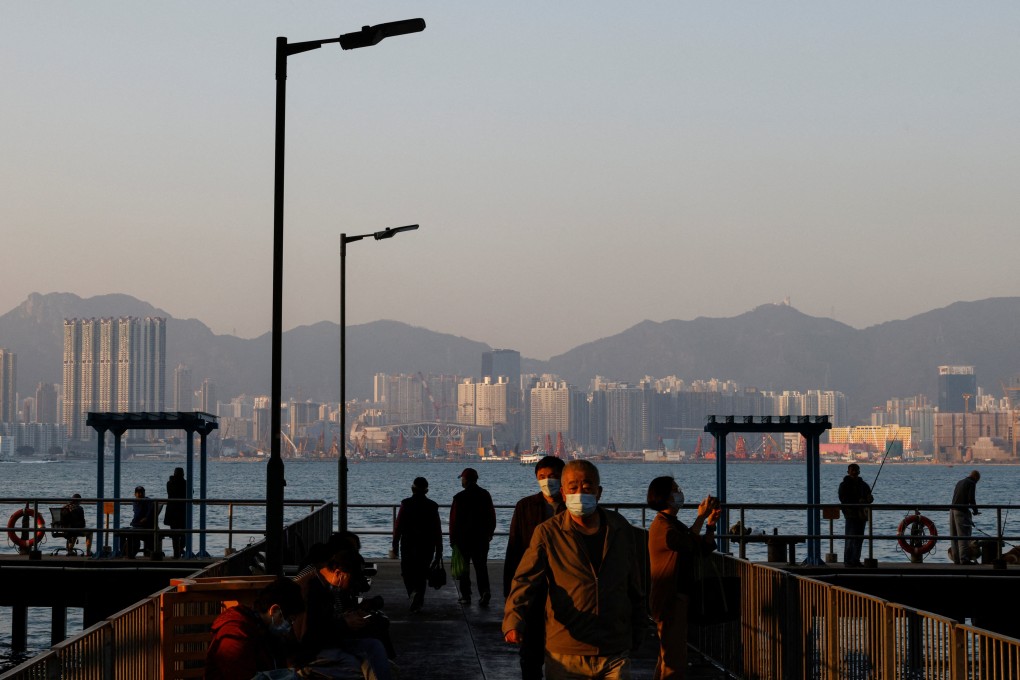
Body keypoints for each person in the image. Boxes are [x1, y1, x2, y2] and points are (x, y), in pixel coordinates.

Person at [503, 460, 646, 680]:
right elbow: (525, 579)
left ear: (599, 492)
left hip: (614, 648)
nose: (580, 493)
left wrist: (639, 626)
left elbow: (633, 582)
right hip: (566, 649)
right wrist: (513, 620)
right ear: (563, 492)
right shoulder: (548, 532)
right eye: (573, 488)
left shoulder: (620, 528)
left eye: (587, 488)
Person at [646, 476, 720, 680]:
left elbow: (699, 548)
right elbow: (686, 543)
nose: (679, 492)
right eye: (675, 489)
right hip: (670, 599)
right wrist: (700, 518)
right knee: (674, 660)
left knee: (669, 656)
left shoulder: (672, 524)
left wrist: (710, 526)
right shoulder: (662, 526)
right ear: (666, 497)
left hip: (678, 596)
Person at [503, 455, 565, 680]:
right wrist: (510, 594)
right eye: (542, 477)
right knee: (530, 653)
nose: (548, 481)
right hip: (533, 591)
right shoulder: (525, 506)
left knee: (563, 654)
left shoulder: (573, 509)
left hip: (563, 591)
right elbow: (514, 549)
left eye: (553, 476)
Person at [302, 549, 393, 680]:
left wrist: (347, 618)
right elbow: (311, 634)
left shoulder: (322, 584)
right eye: (351, 580)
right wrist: (344, 623)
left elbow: (324, 622)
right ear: (339, 573)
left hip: (323, 643)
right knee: (372, 651)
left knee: (374, 645)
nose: (351, 586)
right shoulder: (311, 590)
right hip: (311, 652)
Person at [205, 576, 305, 680]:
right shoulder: (236, 633)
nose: (290, 626)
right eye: (290, 620)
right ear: (274, 610)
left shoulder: (262, 628)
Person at [391, 477, 443, 613]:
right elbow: (437, 530)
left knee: (407, 572)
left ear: (412, 489)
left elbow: (398, 526)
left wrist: (395, 544)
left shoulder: (406, 504)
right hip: (427, 545)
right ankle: (419, 600)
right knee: (422, 573)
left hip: (408, 544)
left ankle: (413, 594)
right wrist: (439, 550)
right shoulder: (432, 506)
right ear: (427, 490)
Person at [449, 467, 497, 606]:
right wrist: (490, 533)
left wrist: (453, 540)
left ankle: (466, 596)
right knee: (481, 567)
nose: (461, 481)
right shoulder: (485, 495)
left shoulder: (459, 497)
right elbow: (492, 516)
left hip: (463, 539)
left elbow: (454, 521)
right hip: (481, 538)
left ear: (466, 480)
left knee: (464, 569)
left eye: (462, 479)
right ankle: (484, 592)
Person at [837, 463, 873, 568]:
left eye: (856, 470)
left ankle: (855, 560)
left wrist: (869, 499)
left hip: (861, 515)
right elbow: (843, 499)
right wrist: (858, 500)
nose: (854, 472)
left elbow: (869, 498)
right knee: (850, 538)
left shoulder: (864, 485)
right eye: (852, 470)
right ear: (848, 472)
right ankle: (848, 561)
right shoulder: (844, 485)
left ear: (859, 471)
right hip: (850, 515)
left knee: (859, 539)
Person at [949, 470, 981, 564]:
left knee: (954, 536)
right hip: (961, 511)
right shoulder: (972, 483)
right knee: (963, 536)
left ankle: (956, 559)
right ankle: (964, 559)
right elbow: (971, 498)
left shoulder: (960, 482)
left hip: (952, 510)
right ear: (976, 478)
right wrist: (975, 511)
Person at [126, 485, 155, 557]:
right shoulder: (135, 502)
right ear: (135, 494)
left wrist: (145, 519)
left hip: (144, 525)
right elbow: (136, 515)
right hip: (136, 524)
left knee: (134, 534)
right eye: (138, 493)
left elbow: (149, 514)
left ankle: (131, 553)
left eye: (141, 493)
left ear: (144, 493)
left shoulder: (148, 501)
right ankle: (123, 553)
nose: (140, 494)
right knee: (121, 533)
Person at [165, 467, 187, 558]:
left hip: (172, 511)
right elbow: (190, 492)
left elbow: (172, 492)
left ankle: (176, 553)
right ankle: (180, 549)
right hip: (182, 511)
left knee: (175, 534)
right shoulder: (185, 484)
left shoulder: (169, 483)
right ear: (183, 474)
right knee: (184, 532)